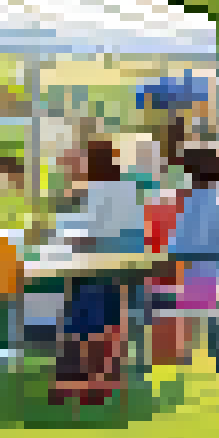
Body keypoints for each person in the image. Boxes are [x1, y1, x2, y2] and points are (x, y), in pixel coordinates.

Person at [54, 138, 146, 405]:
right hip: (125, 269)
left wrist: (67, 239)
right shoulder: (128, 188)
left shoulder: (98, 189)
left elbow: (91, 233)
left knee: (80, 310)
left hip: (100, 267)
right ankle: (103, 375)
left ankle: (85, 379)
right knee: (105, 317)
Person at [167, 146, 219, 389]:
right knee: (213, 321)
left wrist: (171, 257)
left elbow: (181, 243)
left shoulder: (196, 202)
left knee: (147, 305)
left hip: (195, 273)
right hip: (215, 272)